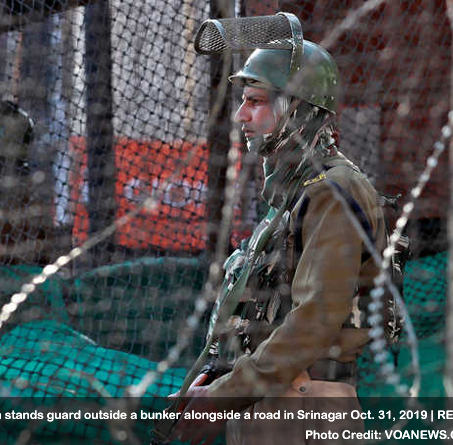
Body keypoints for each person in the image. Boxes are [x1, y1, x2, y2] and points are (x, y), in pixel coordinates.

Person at [167, 13, 394, 445]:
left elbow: (314, 321)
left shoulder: (332, 191)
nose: (240, 115)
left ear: (296, 108)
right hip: (272, 398)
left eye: (255, 101)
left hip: (301, 404)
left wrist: (221, 399)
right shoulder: (294, 193)